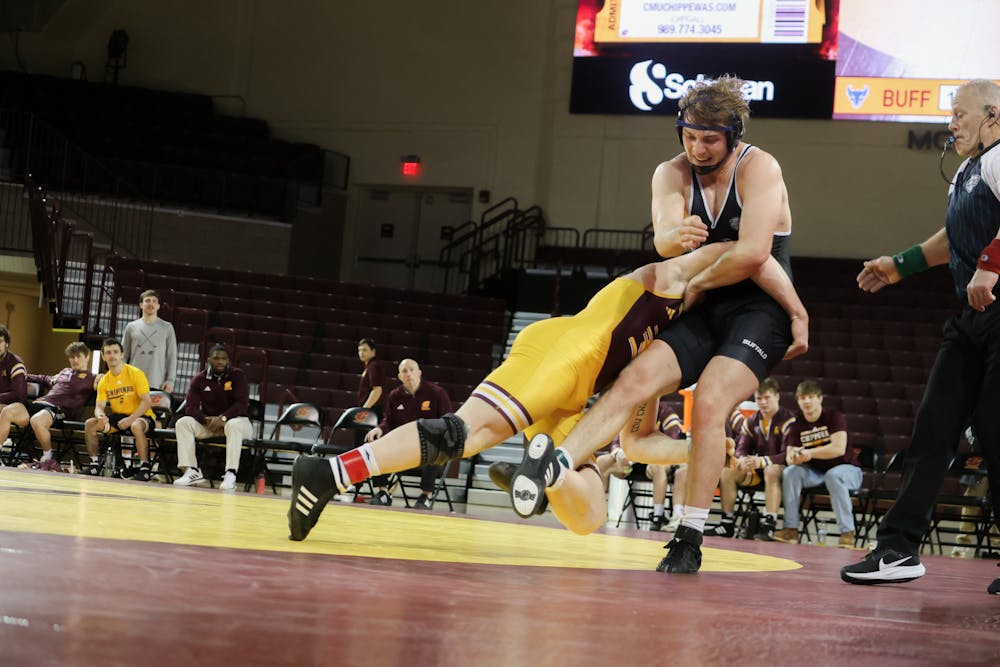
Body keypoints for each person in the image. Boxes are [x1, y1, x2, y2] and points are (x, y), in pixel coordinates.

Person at [287, 238, 806, 542]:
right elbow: (751, 251)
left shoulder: (671, 352)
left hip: (579, 390)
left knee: (589, 516)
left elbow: (636, 442)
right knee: (464, 434)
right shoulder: (674, 276)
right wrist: (796, 311)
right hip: (563, 351)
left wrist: (700, 450)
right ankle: (330, 471)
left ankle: (543, 471)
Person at [509, 75, 800, 575]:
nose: (698, 148)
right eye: (690, 135)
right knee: (634, 379)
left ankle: (689, 535)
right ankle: (553, 465)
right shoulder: (671, 172)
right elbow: (664, 240)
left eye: (710, 139)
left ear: (734, 136)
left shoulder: (760, 168)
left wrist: (706, 280)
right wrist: (674, 234)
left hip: (759, 307)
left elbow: (754, 255)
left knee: (710, 401)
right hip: (701, 304)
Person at [843, 79, 1000, 591]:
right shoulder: (968, 173)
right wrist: (900, 264)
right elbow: (952, 238)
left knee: (995, 430)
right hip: (971, 316)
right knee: (932, 429)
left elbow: (987, 250)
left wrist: (990, 264)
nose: (951, 124)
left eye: (959, 114)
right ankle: (897, 550)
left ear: (992, 115)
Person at [771, 380, 859, 547]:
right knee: (790, 472)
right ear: (798, 401)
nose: (806, 401)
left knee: (833, 476)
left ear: (820, 399)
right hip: (816, 473)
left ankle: (847, 532)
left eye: (810, 397)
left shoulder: (834, 417)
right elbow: (789, 457)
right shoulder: (797, 423)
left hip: (847, 469)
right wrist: (796, 458)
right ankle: (790, 529)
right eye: (802, 398)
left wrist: (809, 453)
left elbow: (838, 449)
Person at [708, 377, 795, 540]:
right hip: (757, 469)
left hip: (781, 470)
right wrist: (742, 461)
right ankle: (727, 523)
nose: (763, 402)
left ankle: (769, 524)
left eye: (767, 397)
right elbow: (742, 448)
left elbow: (787, 455)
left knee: (771, 470)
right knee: (727, 471)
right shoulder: (751, 421)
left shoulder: (789, 420)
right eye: (759, 398)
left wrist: (763, 461)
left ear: (777, 396)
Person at [363, 359, 453, 509]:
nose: (408, 373)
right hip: (402, 447)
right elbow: (388, 421)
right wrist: (379, 428)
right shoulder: (395, 395)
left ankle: (425, 496)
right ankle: (383, 492)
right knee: (375, 443)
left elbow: (448, 421)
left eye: (412, 370)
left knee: (436, 446)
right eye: (404, 371)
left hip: (427, 446)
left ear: (419, 373)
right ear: (400, 376)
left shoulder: (437, 393)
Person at [0, 341, 98, 470]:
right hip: (40, 404)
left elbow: (109, 385)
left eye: (78, 356)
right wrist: (21, 376)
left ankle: (48, 457)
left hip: (59, 410)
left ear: (87, 356)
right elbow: (45, 379)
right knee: (7, 411)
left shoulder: (94, 378)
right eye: (71, 357)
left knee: (36, 420)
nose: (75, 360)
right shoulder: (65, 372)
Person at [172, 344, 253, 491]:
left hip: (238, 423)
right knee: (183, 422)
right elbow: (190, 407)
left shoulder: (237, 375)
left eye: (223, 358)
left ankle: (231, 474)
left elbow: (242, 404)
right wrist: (206, 420)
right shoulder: (199, 379)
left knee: (232, 425)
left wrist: (222, 418)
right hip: (210, 424)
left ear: (228, 360)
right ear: (209, 359)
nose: (220, 361)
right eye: (216, 358)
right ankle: (192, 470)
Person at [594, 400, 684, 530]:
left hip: (656, 460)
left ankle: (658, 516)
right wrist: (618, 453)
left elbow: (673, 441)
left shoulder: (667, 412)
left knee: (657, 467)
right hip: (631, 463)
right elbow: (616, 443)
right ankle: (597, 511)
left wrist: (652, 451)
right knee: (602, 461)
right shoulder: (631, 409)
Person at [84, 338, 156, 480]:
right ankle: (94, 465)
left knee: (135, 425)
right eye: (108, 352)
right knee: (90, 424)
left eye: (115, 352)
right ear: (103, 356)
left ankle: (144, 467)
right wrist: (100, 416)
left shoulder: (136, 373)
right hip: (119, 417)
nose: (112, 355)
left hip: (142, 416)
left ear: (122, 355)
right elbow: (99, 407)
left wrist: (130, 419)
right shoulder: (104, 380)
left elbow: (147, 402)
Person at [664, 408, 745, 534]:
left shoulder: (734, 415)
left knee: (726, 473)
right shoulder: (700, 414)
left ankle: (727, 522)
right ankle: (677, 517)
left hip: (729, 462)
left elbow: (744, 442)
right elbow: (692, 444)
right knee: (682, 472)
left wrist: (731, 456)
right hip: (705, 462)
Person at [356, 337, 393, 504]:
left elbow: (377, 390)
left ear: (373, 351)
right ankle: (359, 486)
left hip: (372, 414)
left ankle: (383, 490)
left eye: (365, 349)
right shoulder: (369, 367)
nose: (361, 353)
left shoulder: (374, 365)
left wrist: (363, 411)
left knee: (371, 450)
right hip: (370, 413)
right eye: (359, 350)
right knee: (363, 450)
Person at [122, 289, 177, 392]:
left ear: (158, 306)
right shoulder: (131, 327)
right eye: (147, 300)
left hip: (157, 383)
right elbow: (123, 355)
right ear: (141, 305)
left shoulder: (167, 327)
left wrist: (170, 381)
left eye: (154, 301)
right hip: (132, 382)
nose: (151, 304)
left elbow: (172, 357)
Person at [0, 325, 28, 409]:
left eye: (0, 341)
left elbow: (17, 395)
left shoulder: (16, 363)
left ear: (7, 343)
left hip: (16, 408)